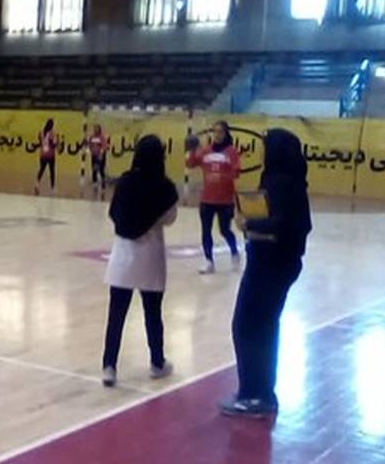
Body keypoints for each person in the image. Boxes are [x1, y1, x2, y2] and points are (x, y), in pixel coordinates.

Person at [222, 129, 312, 419]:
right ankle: (263, 392)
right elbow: (302, 225)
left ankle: (252, 394)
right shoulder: (295, 181)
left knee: (246, 326)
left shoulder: (279, 182)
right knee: (266, 326)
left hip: (268, 265)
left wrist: (249, 224)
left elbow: (280, 223)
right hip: (282, 264)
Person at [101, 135, 178, 387]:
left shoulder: (125, 182)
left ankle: (109, 366)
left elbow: (113, 212)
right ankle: (157, 362)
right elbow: (170, 218)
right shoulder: (165, 187)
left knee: (116, 314)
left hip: (123, 255)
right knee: (153, 313)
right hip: (150, 255)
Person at [187, 120, 241, 273]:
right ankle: (209, 261)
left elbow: (236, 172)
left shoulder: (232, 152)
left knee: (225, 230)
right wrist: (191, 150)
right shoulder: (205, 151)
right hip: (207, 199)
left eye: (220, 132)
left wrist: (221, 176)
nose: (217, 135)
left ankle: (234, 253)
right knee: (206, 230)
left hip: (225, 200)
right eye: (215, 131)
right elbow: (190, 163)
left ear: (226, 133)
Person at [34, 118, 60, 195]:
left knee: (41, 169)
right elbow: (53, 144)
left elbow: (40, 142)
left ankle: (37, 183)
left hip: (42, 154)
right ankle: (52, 189)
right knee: (52, 171)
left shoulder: (41, 132)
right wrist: (57, 142)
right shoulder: (53, 133)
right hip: (50, 154)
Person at [86, 123, 109, 199]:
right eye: (94, 128)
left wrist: (101, 154)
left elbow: (104, 146)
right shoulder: (92, 137)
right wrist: (90, 150)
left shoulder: (102, 137)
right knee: (94, 169)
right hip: (94, 156)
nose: (95, 130)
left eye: (97, 128)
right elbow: (89, 145)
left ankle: (103, 185)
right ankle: (95, 184)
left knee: (101, 170)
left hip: (100, 156)